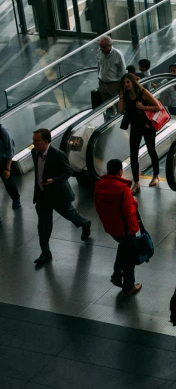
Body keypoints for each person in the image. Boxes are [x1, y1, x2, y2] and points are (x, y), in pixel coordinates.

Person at [31, 129, 91, 265]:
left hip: (58, 195)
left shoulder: (58, 155)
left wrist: (54, 180)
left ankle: (85, 223)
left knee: (71, 215)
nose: (33, 143)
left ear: (45, 142)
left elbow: (68, 171)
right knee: (43, 226)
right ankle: (45, 252)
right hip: (42, 196)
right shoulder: (34, 153)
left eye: (36, 140)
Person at [94, 158, 143, 296]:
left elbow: (98, 207)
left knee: (123, 246)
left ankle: (117, 274)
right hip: (125, 228)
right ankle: (129, 286)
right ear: (120, 171)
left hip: (111, 227)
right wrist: (134, 202)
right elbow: (129, 212)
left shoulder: (99, 186)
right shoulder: (123, 189)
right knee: (130, 256)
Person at [118, 73, 161, 194]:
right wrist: (121, 96)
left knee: (151, 150)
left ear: (133, 82)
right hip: (135, 126)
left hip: (147, 126)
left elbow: (157, 107)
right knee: (133, 154)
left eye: (128, 82)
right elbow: (121, 111)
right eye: (124, 83)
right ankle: (136, 182)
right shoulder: (126, 94)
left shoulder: (143, 92)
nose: (126, 85)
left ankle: (156, 175)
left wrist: (143, 107)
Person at [0, 123, 21, 223]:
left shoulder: (3, 130)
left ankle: (16, 199)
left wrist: (7, 168)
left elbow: (10, 150)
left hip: (3, 162)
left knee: (8, 182)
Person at [97, 36, 126, 102]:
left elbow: (123, 71)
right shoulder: (99, 51)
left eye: (103, 47)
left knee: (117, 103)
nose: (101, 49)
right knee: (106, 105)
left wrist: (122, 86)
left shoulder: (117, 54)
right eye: (100, 47)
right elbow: (99, 65)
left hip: (114, 85)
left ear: (110, 45)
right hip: (102, 84)